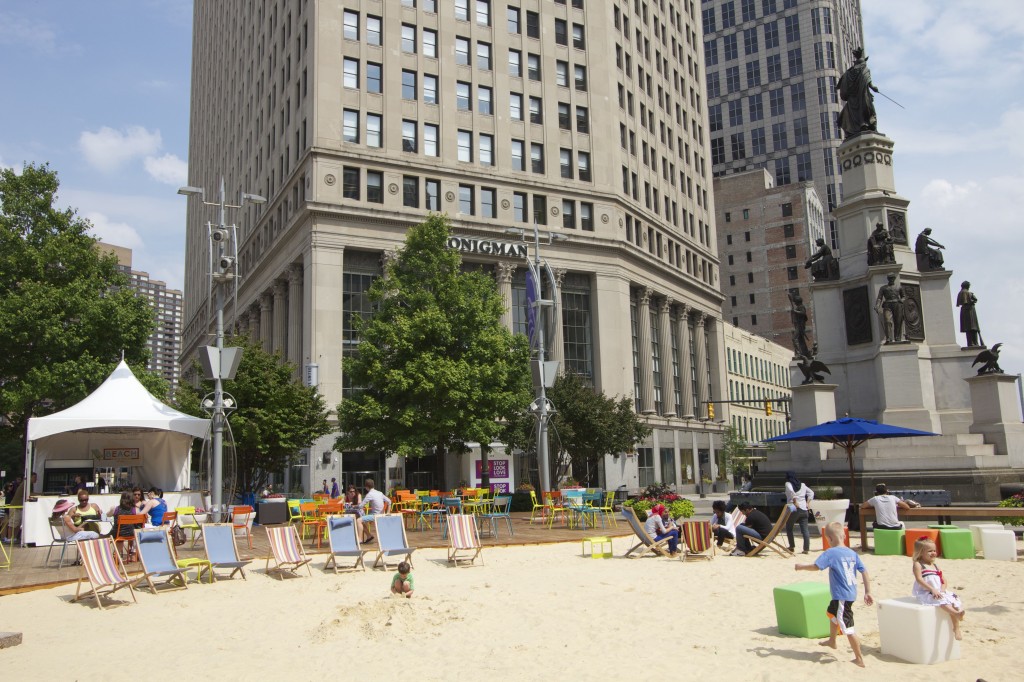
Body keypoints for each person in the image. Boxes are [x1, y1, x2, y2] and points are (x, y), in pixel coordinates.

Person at [795, 522, 874, 668]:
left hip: (842, 597)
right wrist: (868, 591)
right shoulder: (852, 553)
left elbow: (816, 567)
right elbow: (864, 571)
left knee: (848, 628)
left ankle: (859, 658)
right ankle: (832, 641)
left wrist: (801, 567)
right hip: (849, 594)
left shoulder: (830, 553)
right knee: (832, 614)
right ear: (844, 536)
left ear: (829, 539)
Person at [912, 537, 965, 640]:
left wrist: (942, 589)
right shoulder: (918, 565)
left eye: (934, 550)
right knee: (942, 600)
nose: (933, 553)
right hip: (926, 591)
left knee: (951, 600)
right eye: (929, 551)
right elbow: (919, 579)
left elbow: (944, 580)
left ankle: (956, 628)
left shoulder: (935, 566)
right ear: (920, 552)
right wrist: (932, 589)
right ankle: (956, 614)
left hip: (938, 591)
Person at [838, 47, 879, 138]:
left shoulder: (848, 73)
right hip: (863, 96)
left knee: (855, 113)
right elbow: (867, 80)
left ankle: (862, 124)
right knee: (869, 111)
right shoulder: (864, 68)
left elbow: (844, 91)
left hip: (852, 99)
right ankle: (865, 124)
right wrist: (873, 87)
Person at [784, 471, 815, 554]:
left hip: (794, 508)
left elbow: (791, 492)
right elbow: (811, 493)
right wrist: (808, 503)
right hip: (804, 509)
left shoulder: (788, 484)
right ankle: (806, 548)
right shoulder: (803, 485)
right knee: (805, 530)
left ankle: (792, 546)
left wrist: (795, 501)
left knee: (789, 527)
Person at [875, 273, 905, 344]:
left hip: (897, 304)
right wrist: (877, 305)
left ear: (894, 279)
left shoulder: (899, 287)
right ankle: (888, 338)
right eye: (890, 278)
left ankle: (897, 338)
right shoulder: (883, 288)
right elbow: (879, 298)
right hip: (887, 305)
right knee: (887, 321)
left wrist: (902, 300)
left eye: (892, 278)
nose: (891, 280)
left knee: (898, 321)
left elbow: (903, 296)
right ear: (888, 279)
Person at [360, 478, 391, 544]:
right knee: (362, 521)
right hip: (381, 515)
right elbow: (389, 501)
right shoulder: (380, 493)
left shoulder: (369, 494)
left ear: (366, 487)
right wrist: (388, 512)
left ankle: (360, 540)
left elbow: (361, 506)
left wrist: (354, 506)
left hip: (375, 516)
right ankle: (369, 536)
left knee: (358, 520)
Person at [956, 281, 982, 347]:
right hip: (968, 311)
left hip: (969, 311)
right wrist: (972, 300)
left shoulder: (964, 292)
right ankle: (973, 343)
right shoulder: (965, 292)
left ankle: (973, 343)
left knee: (972, 328)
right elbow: (967, 301)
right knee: (971, 328)